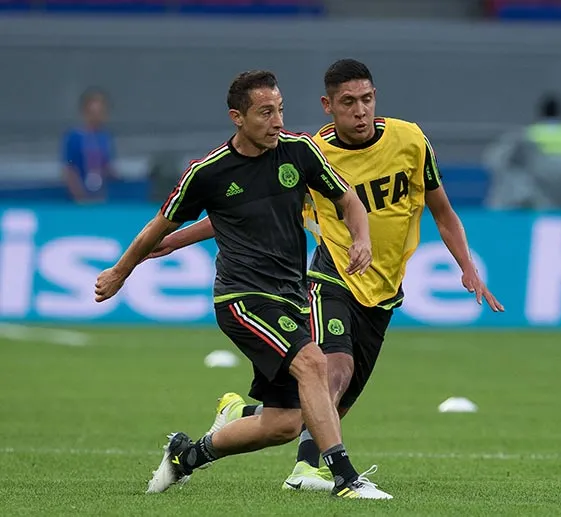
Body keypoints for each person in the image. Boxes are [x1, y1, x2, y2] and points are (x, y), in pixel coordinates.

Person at [146, 59, 504, 492]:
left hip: (383, 289)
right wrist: (176, 239)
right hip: (330, 275)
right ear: (328, 105)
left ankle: (220, 432)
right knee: (330, 371)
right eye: (348, 102)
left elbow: (442, 211)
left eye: (367, 99)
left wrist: (467, 266)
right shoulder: (311, 151)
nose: (360, 110)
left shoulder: (410, 141)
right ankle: (314, 472)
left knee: (309, 410)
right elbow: (245, 205)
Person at [94, 69, 393, 500]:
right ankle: (345, 478)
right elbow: (155, 228)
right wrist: (121, 272)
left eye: (281, 110)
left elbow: (348, 199)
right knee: (314, 363)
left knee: (284, 423)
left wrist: (361, 239)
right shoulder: (208, 172)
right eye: (266, 113)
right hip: (242, 298)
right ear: (238, 117)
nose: (277, 121)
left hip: (290, 296)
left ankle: (186, 456)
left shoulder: (298, 151)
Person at [62, 88, 118, 203]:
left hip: (101, 196)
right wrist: (80, 197)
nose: (97, 116)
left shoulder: (105, 137)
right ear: (85, 112)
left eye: (101, 112)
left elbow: (107, 165)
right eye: (93, 112)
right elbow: (69, 170)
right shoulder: (74, 137)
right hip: (78, 199)